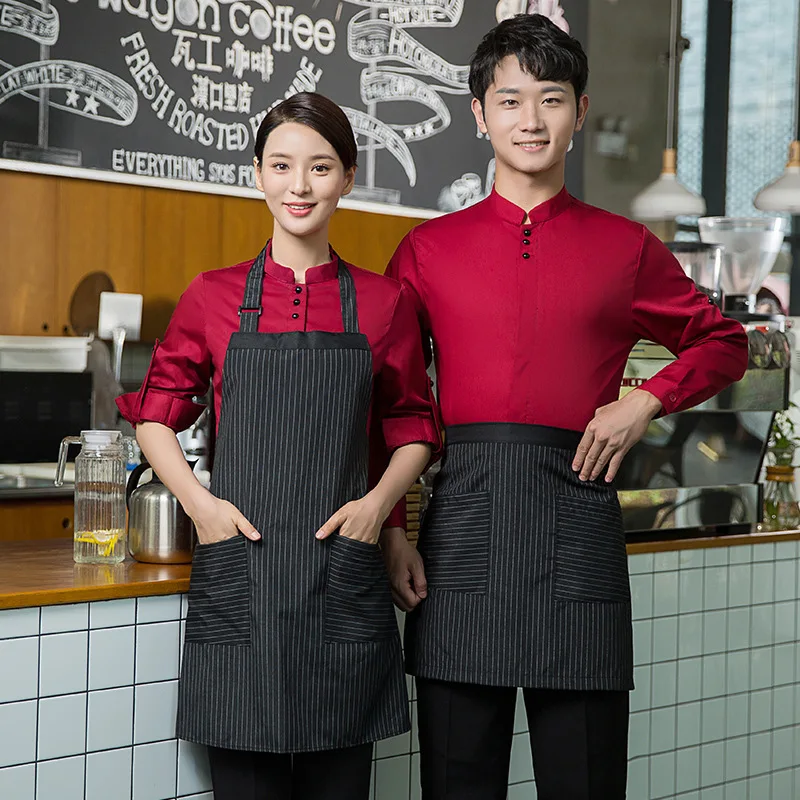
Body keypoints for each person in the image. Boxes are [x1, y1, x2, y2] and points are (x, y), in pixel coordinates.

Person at [380, 14, 748, 800]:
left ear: (579, 112)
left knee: (584, 781)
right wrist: (392, 530)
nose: (531, 119)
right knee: (457, 783)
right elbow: (398, 402)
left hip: (576, 516)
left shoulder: (626, 247)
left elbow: (724, 342)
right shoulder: (425, 250)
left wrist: (644, 401)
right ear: (478, 114)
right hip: (462, 529)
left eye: (550, 99)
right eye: (509, 100)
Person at [116, 92, 441, 800]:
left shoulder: (385, 303)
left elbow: (414, 427)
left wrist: (378, 507)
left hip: (342, 577)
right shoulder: (213, 297)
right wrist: (201, 507)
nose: (300, 185)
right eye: (282, 165)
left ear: (348, 177)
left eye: (320, 167)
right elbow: (153, 417)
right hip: (245, 577)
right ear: (258, 173)